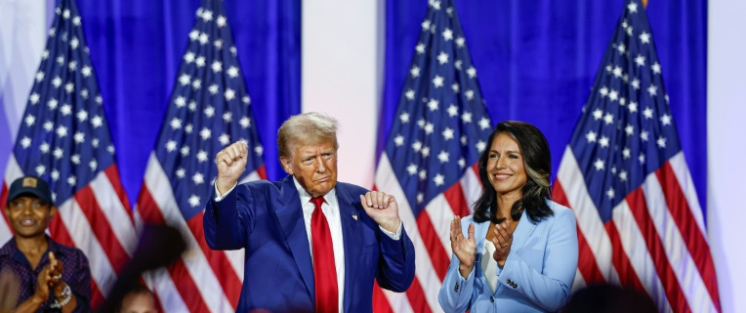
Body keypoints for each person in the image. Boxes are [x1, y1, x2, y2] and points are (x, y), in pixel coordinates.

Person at [204, 112, 416, 313]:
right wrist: (226, 183)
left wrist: (391, 227)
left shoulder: (363, 204)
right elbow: (221, 238)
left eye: (327, 154)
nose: (322, 167)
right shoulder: (259, 200)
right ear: (287, 164)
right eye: (309, 159)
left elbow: (398, 281)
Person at [438, 121, 578, 312]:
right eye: (493, 156)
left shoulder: (557, 220)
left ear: (533, 163)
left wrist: (507, 261)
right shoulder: (469, 226)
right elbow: (451, 307)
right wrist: (464, 267)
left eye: (512, 156)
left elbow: (558, 298)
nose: (499, 165)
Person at [0, 176, 91, 313]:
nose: (27, 211)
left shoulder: (74, 259)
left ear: (51, 211)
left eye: (37, 204)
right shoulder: (0, 263)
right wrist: (38, 298)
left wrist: (59, 286)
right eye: (18, 204)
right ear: (7, 212)